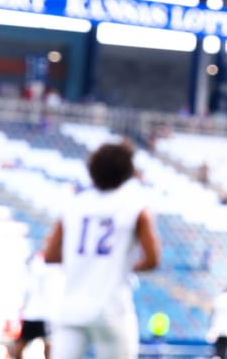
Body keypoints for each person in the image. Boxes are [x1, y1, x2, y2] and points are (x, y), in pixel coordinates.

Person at [42, 140, 161, 359]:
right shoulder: (135, 206)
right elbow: (153, 259)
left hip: (71, 308)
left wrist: (82, 260)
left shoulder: (73, 205)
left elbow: (49, 255)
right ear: (127, 172)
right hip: (111, 309)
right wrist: (122, 265)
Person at [17, 248, 60, 359]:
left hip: (45, 314)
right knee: (21, 346)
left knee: (48, 347)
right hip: (34, 313)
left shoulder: (49, 264)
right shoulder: (36, 261)